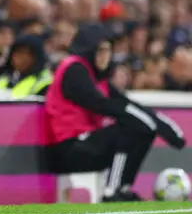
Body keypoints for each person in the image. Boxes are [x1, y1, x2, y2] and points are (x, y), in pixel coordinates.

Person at [45, 23, 186, 202]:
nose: (105, 56)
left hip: (86, 143)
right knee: (128, 130)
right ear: (89, 48)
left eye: (108, 51)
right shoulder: (74, 68)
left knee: (143, 130)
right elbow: (101, 104)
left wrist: (157, 122)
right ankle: (111, 192)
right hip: (67, 148)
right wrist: (151, 121)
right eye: (101, 50)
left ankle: (123, 187)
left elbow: (124, 102)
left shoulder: (98, 76)